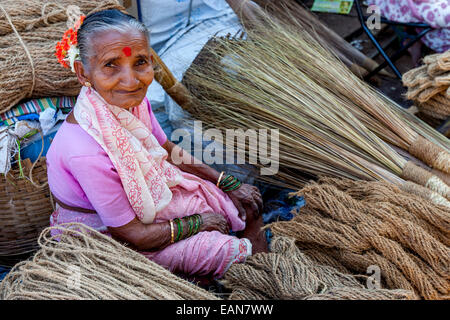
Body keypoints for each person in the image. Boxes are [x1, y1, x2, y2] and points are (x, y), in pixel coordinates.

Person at [47, 9, 267, 281]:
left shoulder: (131, 103)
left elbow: (168, 151)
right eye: (111, 65)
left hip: (150, 203)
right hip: (108, 240)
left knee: (241, 206)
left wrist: (227, 183)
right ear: (83, 72)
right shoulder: (86, 151)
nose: (131, 81)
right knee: (226, 251)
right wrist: (199, 224)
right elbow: (134, 235)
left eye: (139, 62)